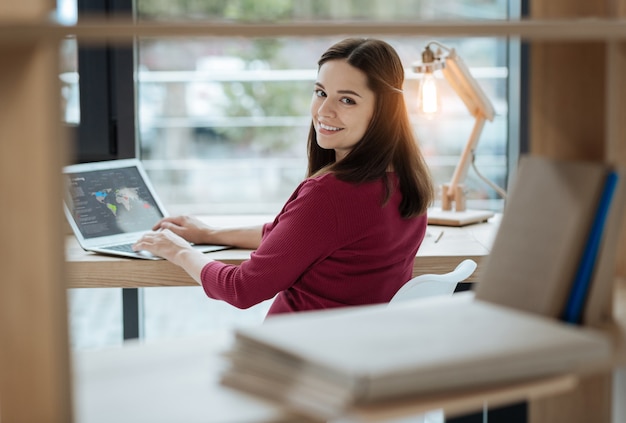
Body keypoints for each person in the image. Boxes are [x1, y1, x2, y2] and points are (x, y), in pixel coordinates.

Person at [133, 38, 434, 316]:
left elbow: (241, 289)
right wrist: (209, 235)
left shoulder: (331, 194)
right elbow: (298, 238)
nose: (323, 111)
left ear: (383, 111)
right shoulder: (406, 180)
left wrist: (178, 251)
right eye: (321, 93)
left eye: (347, 100)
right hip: (352, 353)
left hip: (298, 359)